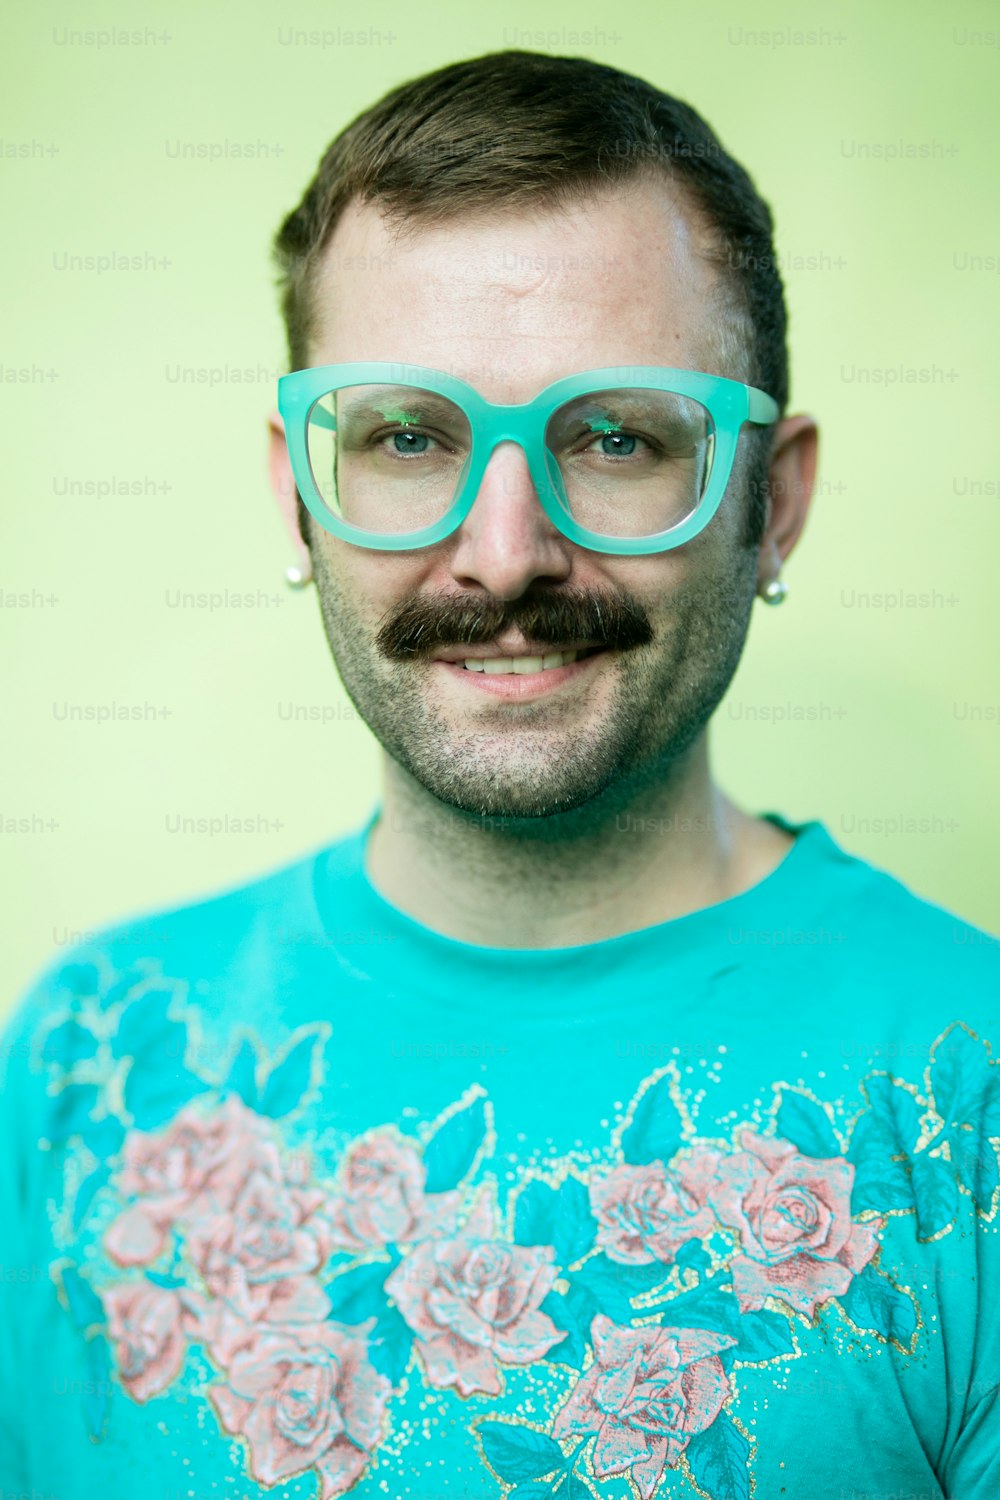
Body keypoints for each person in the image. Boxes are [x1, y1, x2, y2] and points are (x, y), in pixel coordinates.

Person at [1, 48, 997, 1500]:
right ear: (297, 496)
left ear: (769, 507)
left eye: (614, 438)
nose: (506, 552)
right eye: (409, 437)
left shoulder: (971, 1096)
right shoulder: (86, 1058)